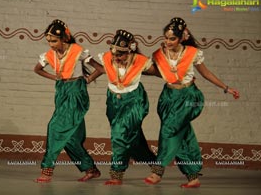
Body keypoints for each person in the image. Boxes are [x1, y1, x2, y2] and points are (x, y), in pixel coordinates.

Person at [144, 17, 240, 188]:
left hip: (188, 97)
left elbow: (206, 73)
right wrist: (136, 68)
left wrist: (226, 88)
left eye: (172, 38)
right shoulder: (158, 54)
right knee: (183, 136)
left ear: (182, 38)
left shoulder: (192, 53)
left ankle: (158, 170)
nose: (168, 41)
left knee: (169, 130)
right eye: (166, 37)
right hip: (168, 97)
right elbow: (157, 72)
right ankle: (192, 176)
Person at [33, 19, 103, 183]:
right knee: (70, 137)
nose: (51, 44)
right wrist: (54, 77)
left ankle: (47, 170)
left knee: (54, 127)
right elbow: (37, 69)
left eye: (54, 40)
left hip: (75, 94)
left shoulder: (78, 51)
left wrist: (86, 80)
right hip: (62, 93)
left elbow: (100, 69)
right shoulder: (50, 55)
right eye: (49, 41)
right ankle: (90, 169)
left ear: (64, 38)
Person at [98, 29, 160, 185]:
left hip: (134, 102)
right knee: (133, 139)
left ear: (130, 50)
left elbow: (160, 73)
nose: (116, 57)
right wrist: (86, 78)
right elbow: (103, 70)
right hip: (113, 102)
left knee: (119, 135)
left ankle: (116, 173)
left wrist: (179, 77)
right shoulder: (107, 58)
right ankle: (155, 164)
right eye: (113, 53)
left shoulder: (140, 61)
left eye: (120, 54)